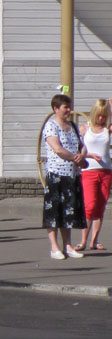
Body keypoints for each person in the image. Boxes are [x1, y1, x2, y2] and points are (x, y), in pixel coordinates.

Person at [43, 93, 88, 259]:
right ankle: (54, 247)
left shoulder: (73, 126)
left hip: (72, 174)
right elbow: (57, 148)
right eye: (65, 107)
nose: (68, 110)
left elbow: (82, 146)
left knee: (69, 210)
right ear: (56, 108)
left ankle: (68, 245)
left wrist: (81, 155)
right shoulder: (51, 126)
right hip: (56, 174)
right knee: (54, 211)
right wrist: (74, 157)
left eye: (69, 106)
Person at [76, 98, 110, 251]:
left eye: (104, 115)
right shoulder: (85, 128)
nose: (101, 119)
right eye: (99, 115)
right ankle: (83, 240)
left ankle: (94, 240)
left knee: (100, 207)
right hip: (89, 171)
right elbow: (78, 151)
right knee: (90, 206)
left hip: (106, 171)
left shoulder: (107, 129)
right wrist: (89, 155)